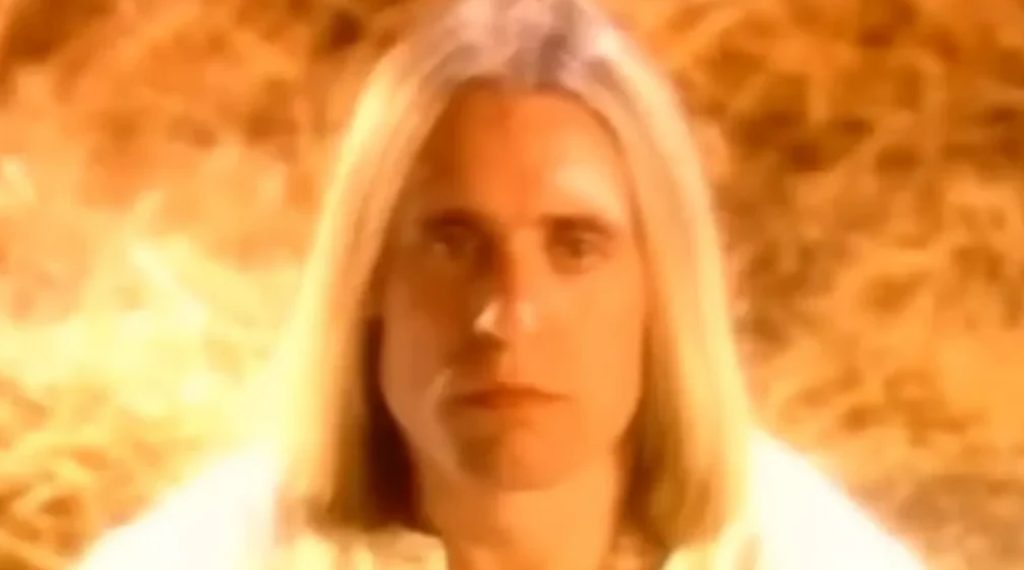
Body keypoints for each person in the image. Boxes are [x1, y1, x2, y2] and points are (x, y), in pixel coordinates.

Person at [74, 0, 927, 568]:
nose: (508, 315)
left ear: (660, 290)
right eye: (453, 242)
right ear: (369, 279)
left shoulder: (810, 554)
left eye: (576, 246)